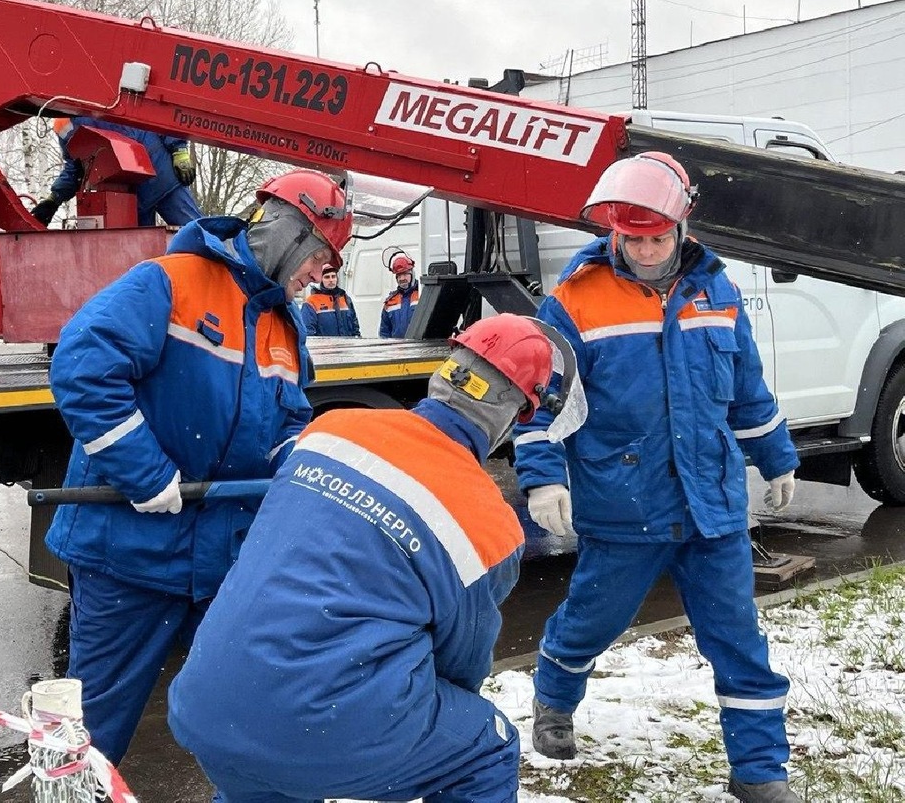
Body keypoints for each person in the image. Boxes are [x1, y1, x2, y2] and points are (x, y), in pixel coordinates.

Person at [169, 313, 584, 803]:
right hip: (321, 730)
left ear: (445, 371)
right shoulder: (488, 528)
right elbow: (460, 668)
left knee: (265, 769)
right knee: (484, 747)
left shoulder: (329, 432)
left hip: (208, 706)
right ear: (518, 417)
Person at [514, 151, 802, 803]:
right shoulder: (573, 303)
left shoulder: (718, 291)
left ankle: (760, 773)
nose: (644, 250)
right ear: (614, 230)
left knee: (738, 642)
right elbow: (542, 399)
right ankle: (554, 698)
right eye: (631, 238)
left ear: (681, 225)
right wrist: (543, 477)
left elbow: (747, 387)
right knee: (590, 622)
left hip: (713, 506)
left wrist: (776, 456)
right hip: (624, 505)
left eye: (657, 237)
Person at [44, 168, 352, 764]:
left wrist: (300, 462)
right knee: (88, 737)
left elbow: (287, 422)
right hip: (127, 557)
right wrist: (146, 473)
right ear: (288, 233)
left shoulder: (286, 328)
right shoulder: (171, 280)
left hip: (219, 566)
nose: (321, 274)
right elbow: (83, 367)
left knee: (254, 719)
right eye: (321, 255)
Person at [31, 116, 205, 227]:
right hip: (133, 198)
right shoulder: (64, 124)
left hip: (158, 181)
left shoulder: (108, 86)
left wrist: (179, 148)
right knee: (144, 256)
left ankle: (225, 270)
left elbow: (158, 116)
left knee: (198, 235)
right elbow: (76, 168)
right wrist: (54, 198)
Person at [301, 263, 360, 337]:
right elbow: (308, 331)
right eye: (327, 277)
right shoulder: (311, 302)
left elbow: (355, 327)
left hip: (346, 347)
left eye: (333, 276)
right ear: (321, 279)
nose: (331, 280)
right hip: (325, 348)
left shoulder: (345, 298)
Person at [379, 250, 419, 338]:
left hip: (418, 349)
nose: (402, 278)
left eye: (405, 274)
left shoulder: (422, 295)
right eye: (399, 275)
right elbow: (384, 334)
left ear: (412, 273)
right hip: (397, 351)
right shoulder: (390, 303)